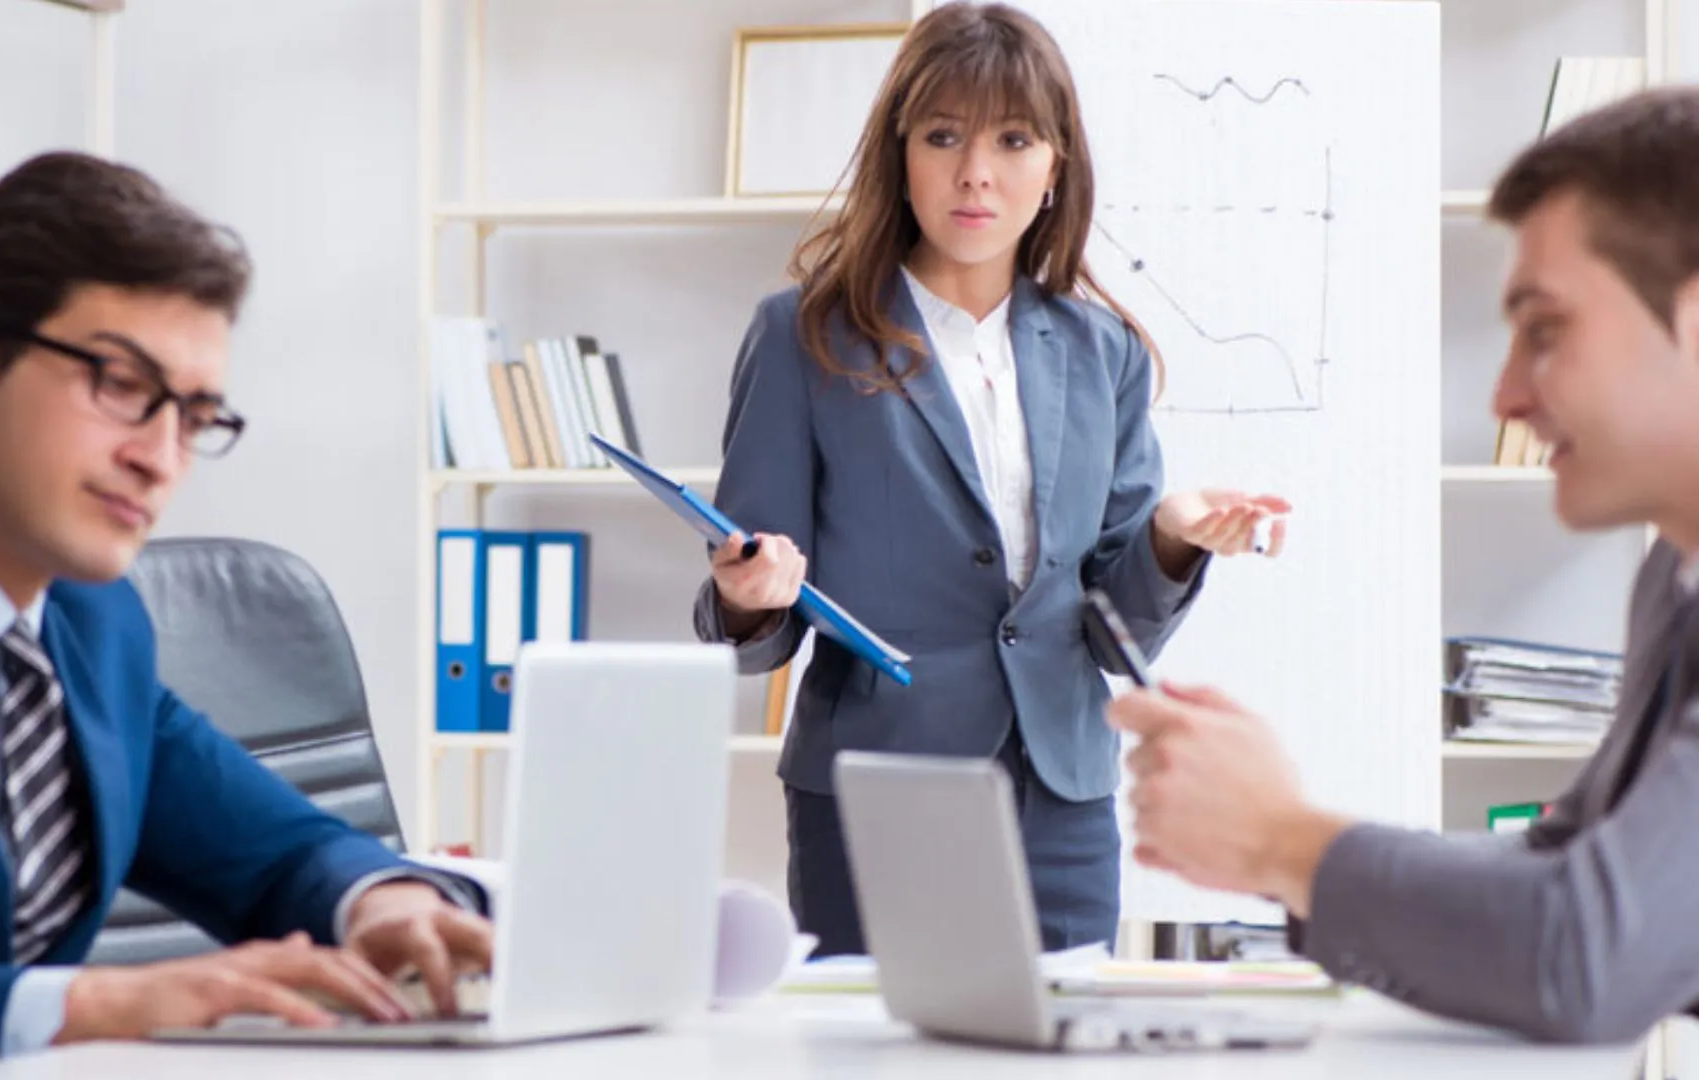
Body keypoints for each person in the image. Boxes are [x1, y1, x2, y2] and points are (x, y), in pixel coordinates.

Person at [0, 152, 493, 1079]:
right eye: (121, 386)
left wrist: (384, 902)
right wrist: (97, 1005)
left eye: (196, 417)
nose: (162, 458)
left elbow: (274, 852)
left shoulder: (91, 620)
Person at [692, 1, 1289, 957]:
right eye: (944, 136)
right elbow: (756, 608)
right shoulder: (801, 335)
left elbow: (1110, 624)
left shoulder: (1107, 354)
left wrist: (1173, 536)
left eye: (1014, 139)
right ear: (902, 155)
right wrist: (749, 599)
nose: (977, 171)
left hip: (1063, 794)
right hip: (876, 786)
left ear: (1055, 166)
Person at [1112, 87, 1699, 1044]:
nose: (1505, 395)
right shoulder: (1675, 578)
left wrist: (1281, 838)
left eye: (1545, 330)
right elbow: (1565, 864)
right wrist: (1280, 838)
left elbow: (1588, 953)